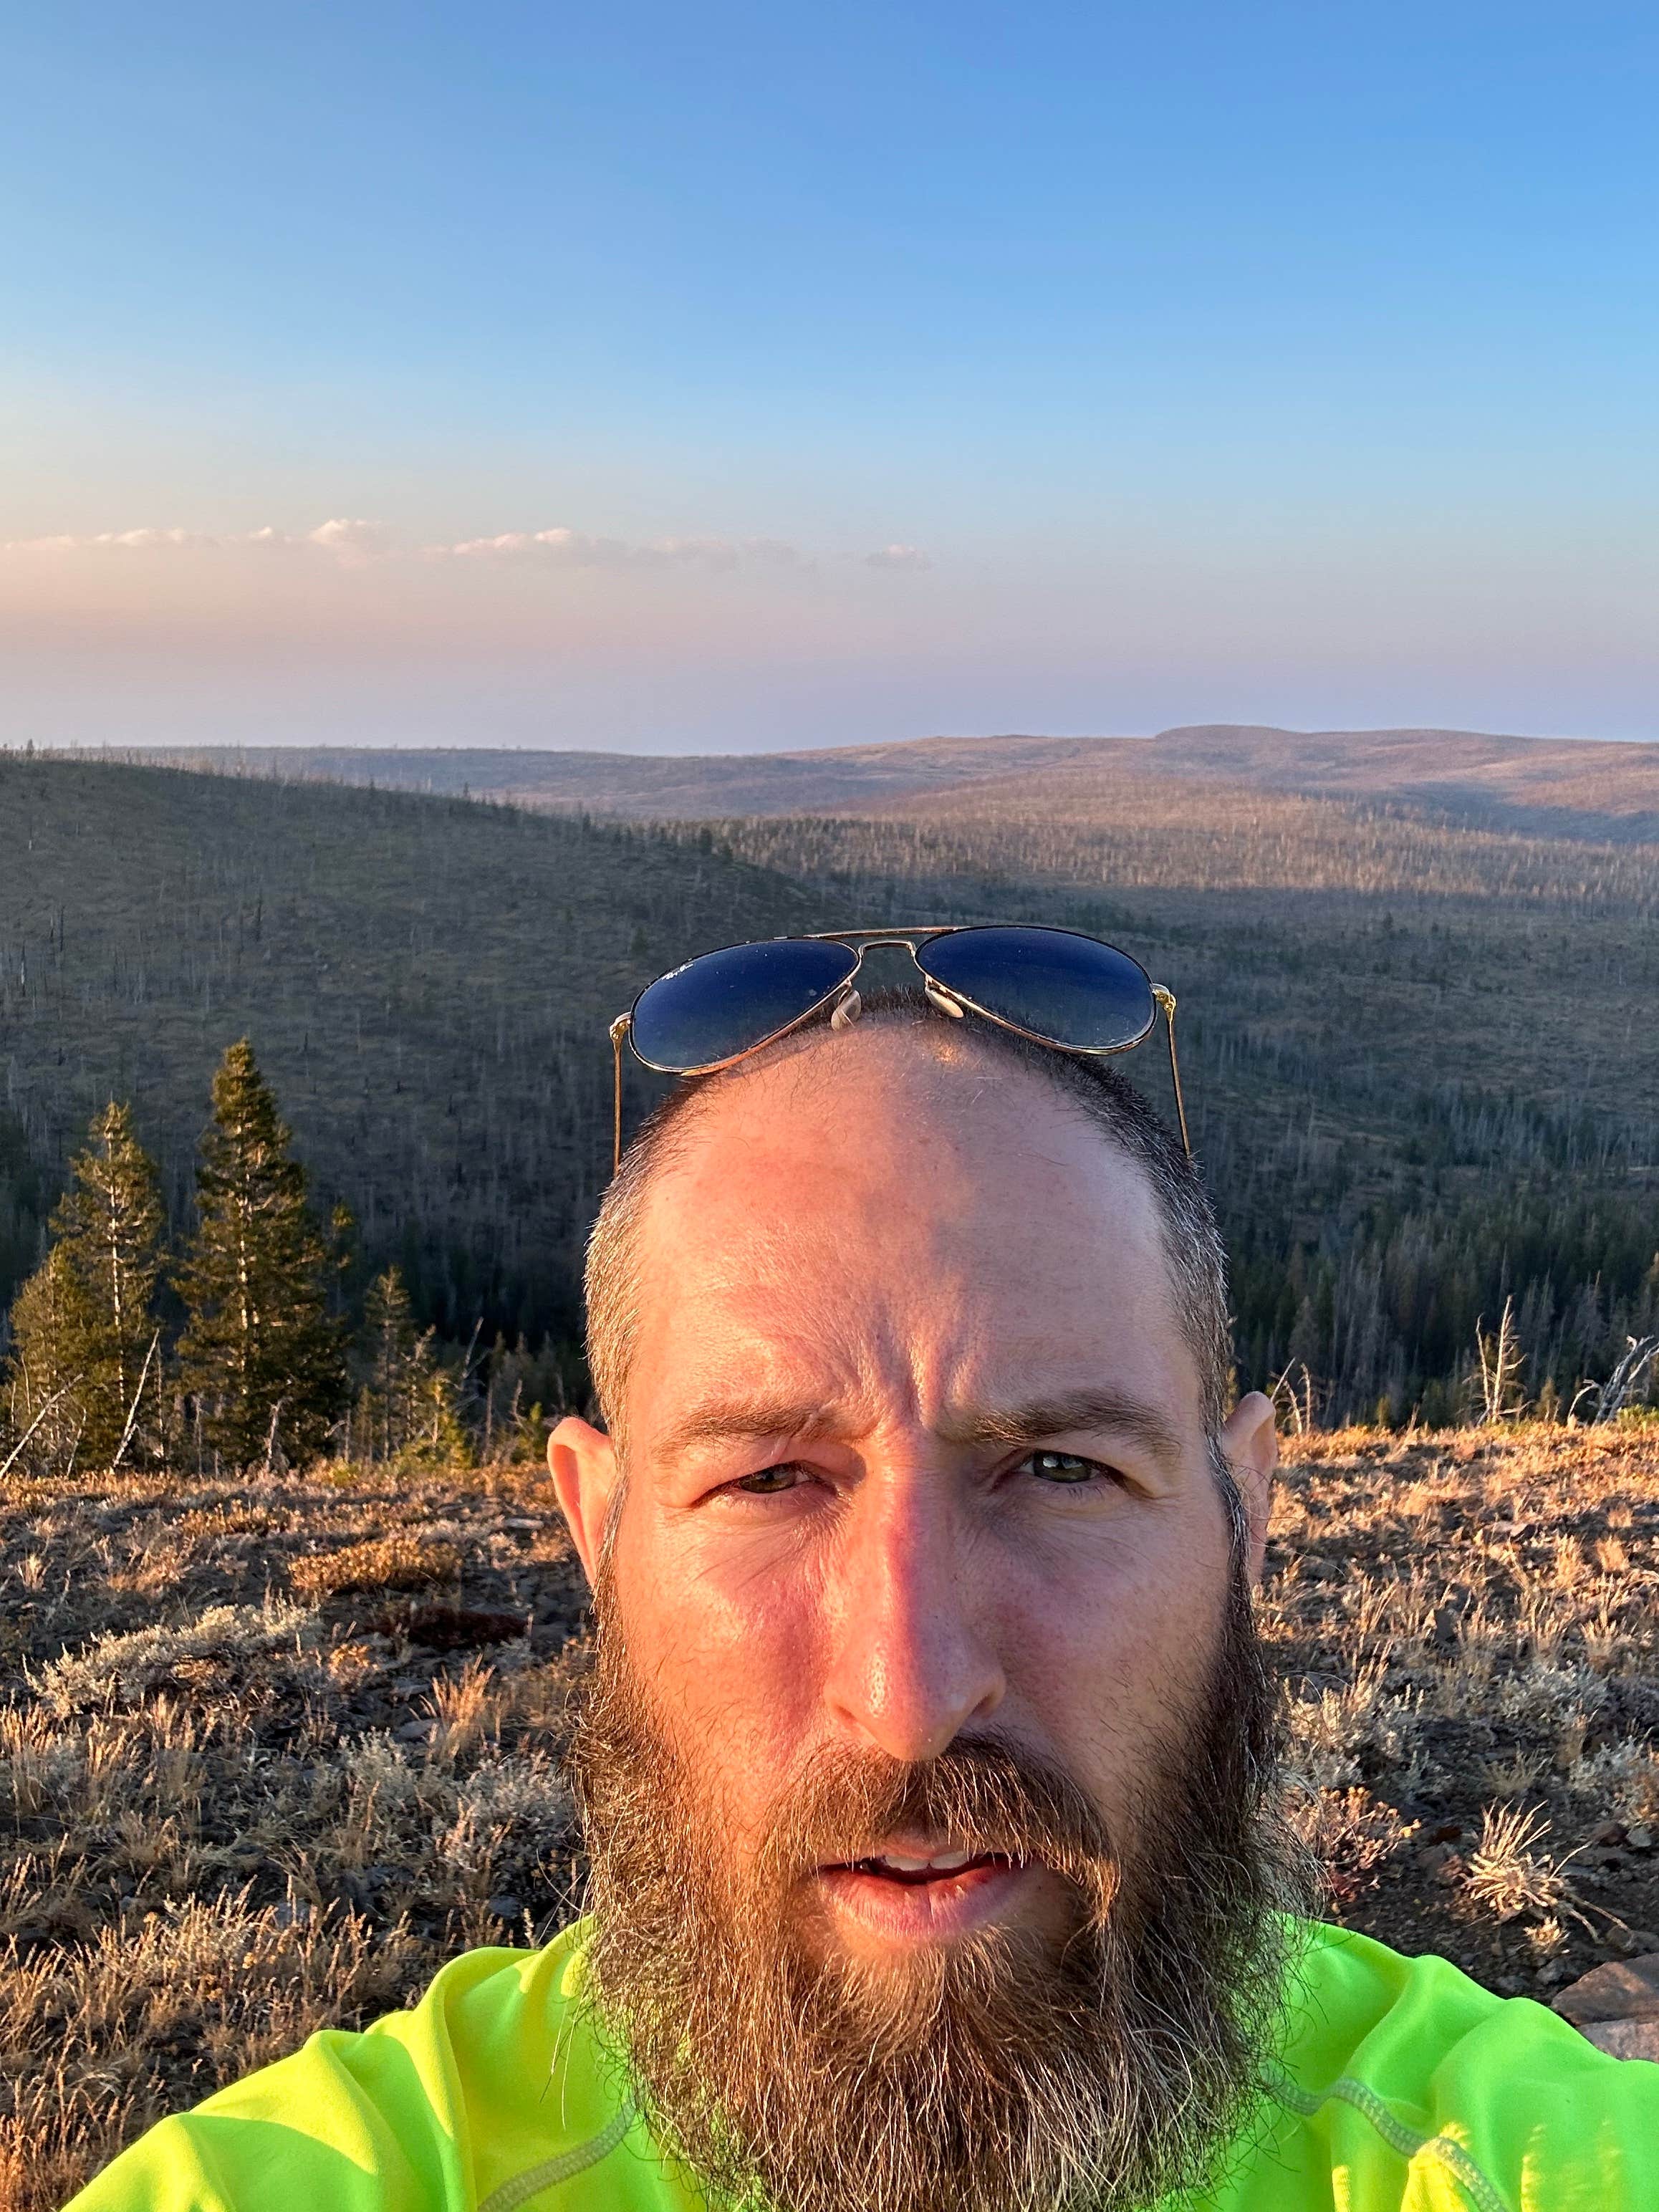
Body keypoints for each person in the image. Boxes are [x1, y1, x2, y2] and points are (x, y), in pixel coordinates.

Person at [69, 945, 1658, 2212]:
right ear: (599, 1533)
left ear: (1245, 1510)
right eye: (770, 1478)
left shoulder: (1525, 2156)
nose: (907, 1691)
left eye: (1058, 1469)